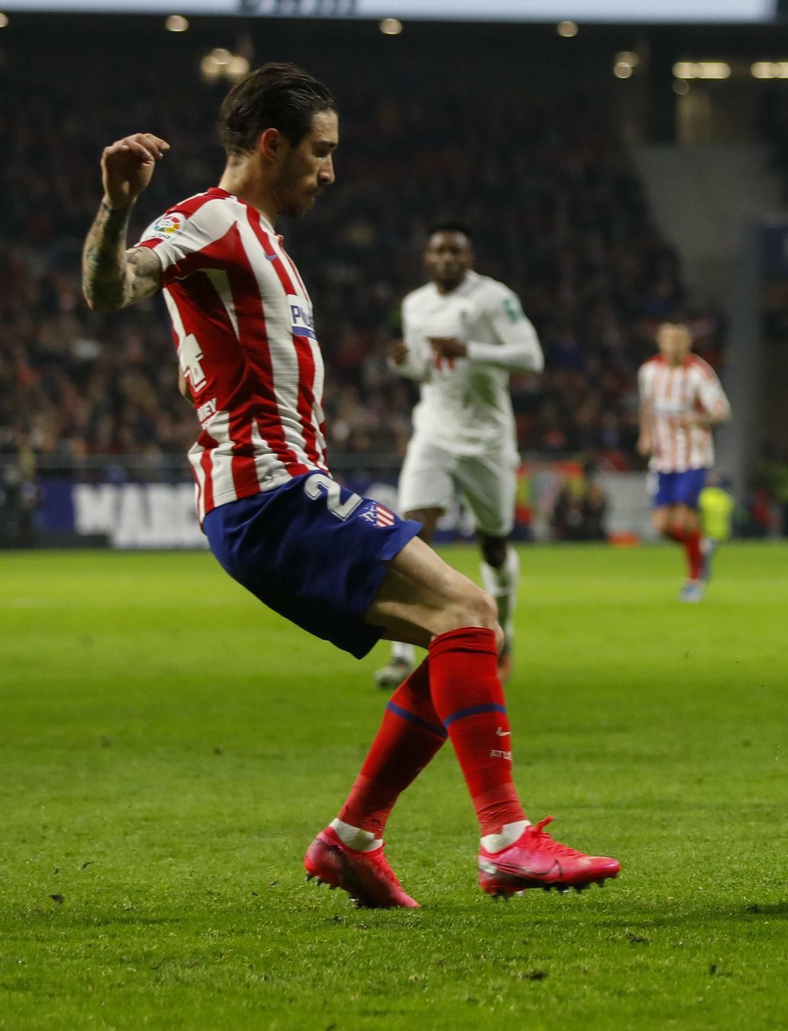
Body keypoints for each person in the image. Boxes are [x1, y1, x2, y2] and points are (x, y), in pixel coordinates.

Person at [80, 63, 618, 908]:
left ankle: (351, 841)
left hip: (282, 491)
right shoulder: (211, 220)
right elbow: (111, 290)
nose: (331, 172)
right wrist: (116, 205)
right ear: (271, 143)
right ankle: (507, 840)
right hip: (271, 491)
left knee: (456, 639)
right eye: (320, 153)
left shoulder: (263, 239)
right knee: (473, 616)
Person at [374, 224, 543, 688]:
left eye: (456, 251)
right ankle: (402, 655)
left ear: (469, 257)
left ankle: (503, 633)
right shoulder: (415, 304)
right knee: (411, 536)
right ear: (426, 259)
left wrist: (469, 349)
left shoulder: (494, 299)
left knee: (493, 543)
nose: (446, 258)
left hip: (487, 439)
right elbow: (427, 371)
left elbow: (531, 357)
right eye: (438, 251)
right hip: (434, 431)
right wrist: (404, 362)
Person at [637, 321, 730, 601]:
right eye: (669, 341)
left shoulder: (698, 372)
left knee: (684, 521)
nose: (674, 347)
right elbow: (646, 406)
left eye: (679, 342)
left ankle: (693, 581)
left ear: (687, 344)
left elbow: (722, 412)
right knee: (662, 526)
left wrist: (698, 418)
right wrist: (645, 435)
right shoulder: (649, 371)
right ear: (661, 343)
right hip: (662, 458)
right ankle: (702, 548)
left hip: (693, 457)